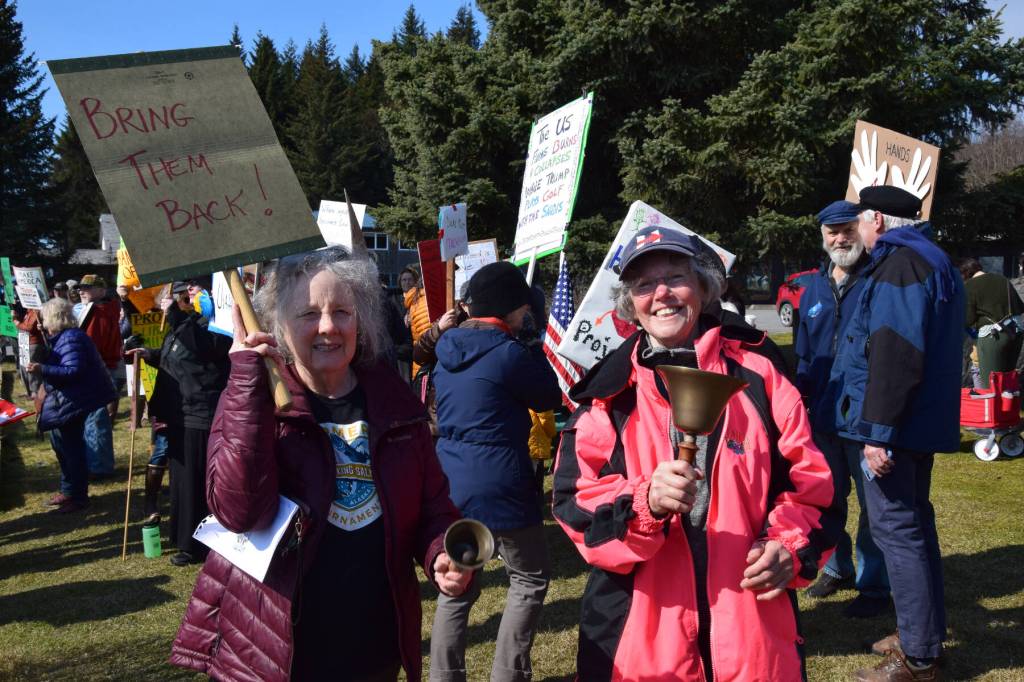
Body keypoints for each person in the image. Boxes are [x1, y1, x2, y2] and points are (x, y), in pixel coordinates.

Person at [171, 247, 470, 681]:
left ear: (361, 320)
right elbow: (239, 512)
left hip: (373, 644)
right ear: (278, 325)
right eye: (308, 314)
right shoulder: (256, 400)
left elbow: (433, 509)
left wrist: (441, 551)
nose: (328, 327)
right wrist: (245, 378)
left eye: (342, 312)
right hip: (279, 648)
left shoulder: (395, 403)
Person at [553, 225, 836, 681]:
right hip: (643, 640)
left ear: (703, 289)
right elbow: (575, 507)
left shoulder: (760, 376)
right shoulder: (609, 397)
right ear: (632, 305)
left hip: (751, 636)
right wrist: (642, 503)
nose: (662, 294)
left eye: (676, 277)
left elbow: (816, 488)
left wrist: (789, 546)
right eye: (645, 284)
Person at [828, 186, 964, 681]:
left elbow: (895, 351)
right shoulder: (928, 258)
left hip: (896, 426)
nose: (856, 231)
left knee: (898, 533)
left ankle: (919, 657)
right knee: (914, 528)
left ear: (878, 221)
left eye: (860, 221)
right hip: (916, 423)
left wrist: (877, 432)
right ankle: (922, 634)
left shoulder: (902, 264)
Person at [429, 261, 562, 682]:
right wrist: (533, 343)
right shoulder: (508, 353)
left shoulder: (446, 350)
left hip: (453, 481)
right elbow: (548, 395)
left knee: (457, 587)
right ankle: (508, 675)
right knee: (528, 578)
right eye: (524, 309)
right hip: (501, 480)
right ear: (509, 308)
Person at [796, 200, 891, 618]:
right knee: (826, 496)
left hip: (864, 416)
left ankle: (874, 585)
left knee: (875, 505)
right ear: (823, 236)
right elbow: (803, 354)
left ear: (861, 229)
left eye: (847, 229)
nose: (840, 238)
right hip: (820, 416)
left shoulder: (877, 280)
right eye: (832, 231)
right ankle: (837, 567)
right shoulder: (812, 289)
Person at [129, 283, 231, 566]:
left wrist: (173, 312)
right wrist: (148, 354)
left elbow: (200, 348)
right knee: (181, 482)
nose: (191, 296)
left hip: (199, 414)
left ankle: (195, 544)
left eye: (197, 292)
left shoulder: (218, 328)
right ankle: (183, 538)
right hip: (178, 414)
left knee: (193, 483)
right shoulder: (189, 323)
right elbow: (173, 355)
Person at [28, 297, 116, 513]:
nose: (42, 322)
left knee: (71, 449)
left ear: (54, 318)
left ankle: (78, 496)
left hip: (74, 400)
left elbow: (72, 370)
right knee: (61, 446)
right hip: (67, 399)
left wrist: (42, 369)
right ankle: (69, 490)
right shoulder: (64, 337)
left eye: (44, 318)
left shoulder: (71, 339)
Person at [75, 274, 122, 477]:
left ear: (102, 291)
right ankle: (96, 464)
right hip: (101, 368)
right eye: (80, 288)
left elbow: (92, 346)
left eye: (88, 287)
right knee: (95, 418)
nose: (81, 291)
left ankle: (99, 467)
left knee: (95, 419)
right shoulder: (104, 309)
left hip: (96, 370)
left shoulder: (99, 312)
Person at [958, 257, 1023, 388]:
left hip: (993, 337)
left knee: (990, 385)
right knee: (1008, 383)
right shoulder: (1003, 279)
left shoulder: (971, 285)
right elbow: (1020, 307)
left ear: (965, 274)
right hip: (1016, 332)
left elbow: (968, 319)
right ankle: (1010, 408)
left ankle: (992, 409)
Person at [403, 265, 432, 379]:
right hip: (428, 367)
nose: (407, 283)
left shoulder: (418, 299)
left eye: (409, 279)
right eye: (404, 280)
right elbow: (427, 337)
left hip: (422, 366)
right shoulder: (425, 301)